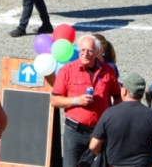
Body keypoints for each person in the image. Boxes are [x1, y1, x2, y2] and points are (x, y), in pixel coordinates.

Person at [51, 35, 122, 167]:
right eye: (82, 50)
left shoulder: (107, 70)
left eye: (90, 50)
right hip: (74, 133)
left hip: (100, 132)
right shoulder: (67, 71)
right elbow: (54, 100)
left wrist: (113, 117)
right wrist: (76, 101)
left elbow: (118, 96)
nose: (85, 54)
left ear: (97, 52)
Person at [89, 73, 152, 167]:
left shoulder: (110, 113)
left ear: (125, 91)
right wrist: (149, 148)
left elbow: (93, 146)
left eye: (122, 86)